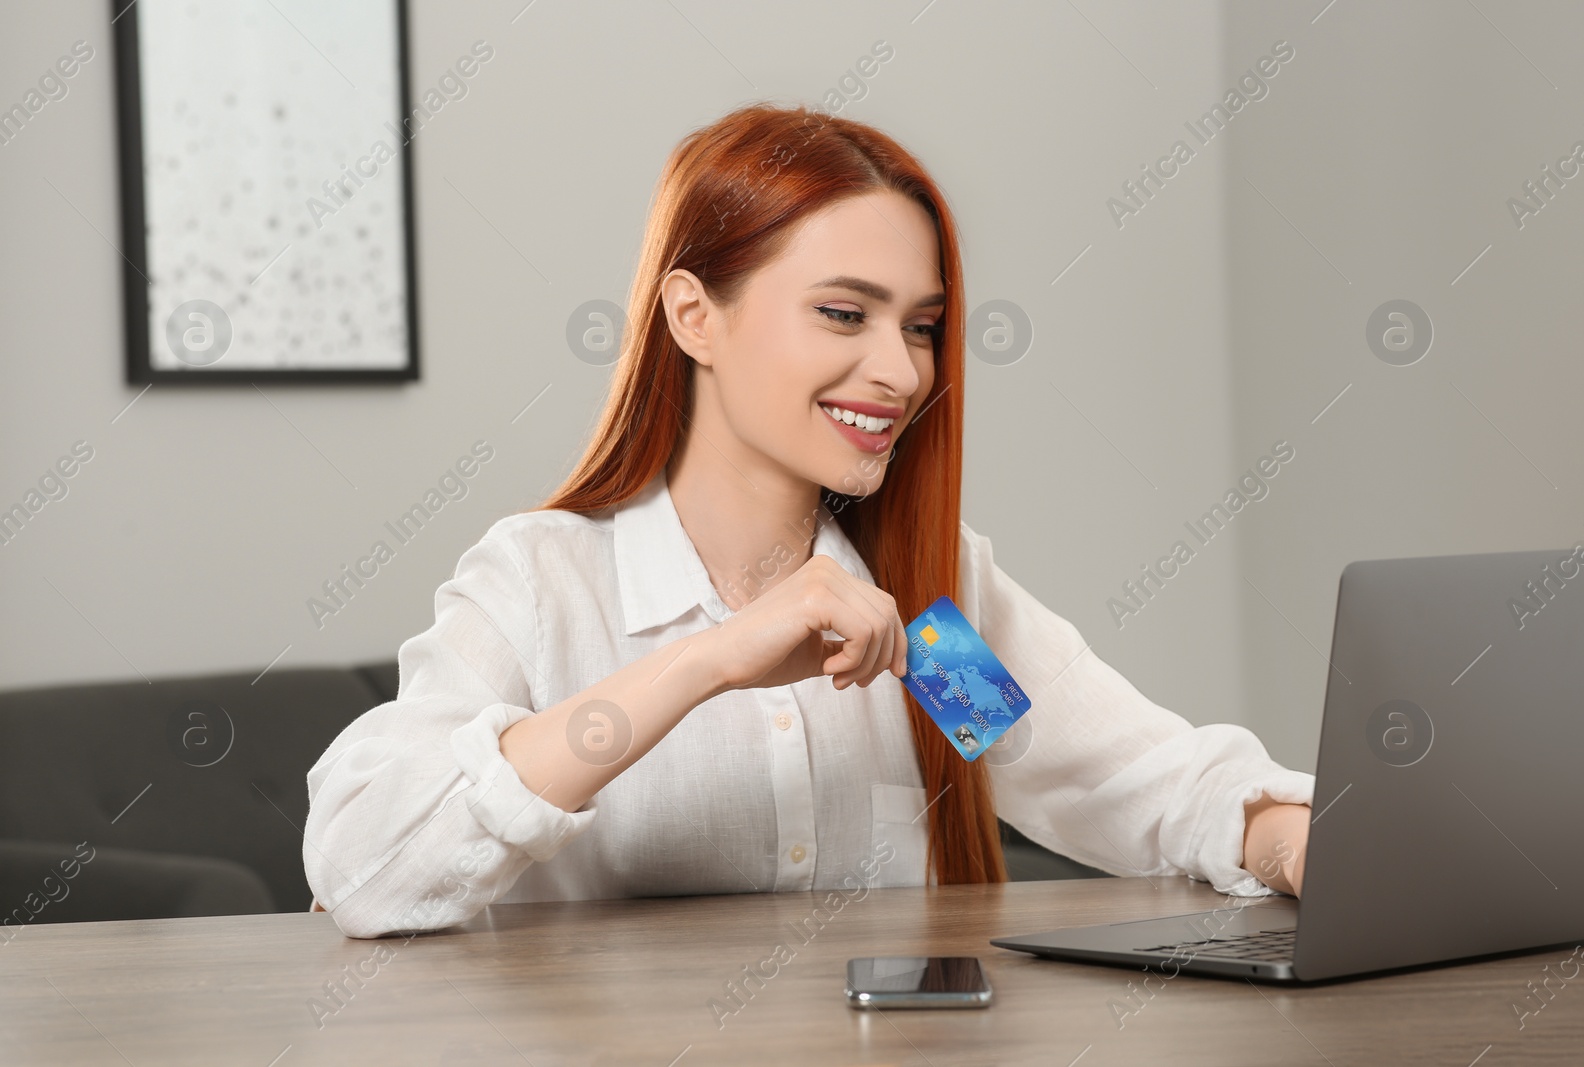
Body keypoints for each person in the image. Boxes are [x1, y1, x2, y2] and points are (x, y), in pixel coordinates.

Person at [303, 102, 1313, 939]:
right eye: (844, 313)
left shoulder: (926, 612)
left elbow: (1132, 781)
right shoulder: (542, 585)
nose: (901, 370)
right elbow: (367, 868)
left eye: (919, 326)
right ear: (695, 316)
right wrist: (711, 658)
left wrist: (1287, 839)